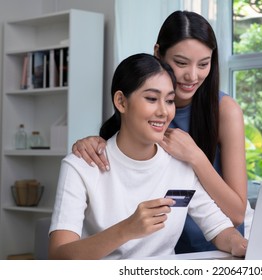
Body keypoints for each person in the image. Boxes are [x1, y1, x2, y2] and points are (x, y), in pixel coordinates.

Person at [71, 10, 249, 254]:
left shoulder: (224, 110)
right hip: (167, 248)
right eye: (181, 63)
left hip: (220, 248)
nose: (192, 75)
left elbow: (236, 214)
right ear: (158, 54)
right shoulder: (141, 119)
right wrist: (90, 144)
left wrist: (195, 157)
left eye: (204, 64)